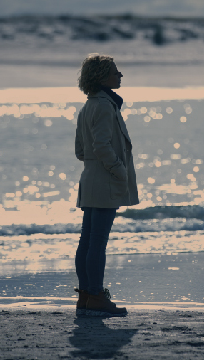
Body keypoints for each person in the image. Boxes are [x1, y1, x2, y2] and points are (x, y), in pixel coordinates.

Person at [74, 53, 139, 317]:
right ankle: (96, 295)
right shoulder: (102, 106)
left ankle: (87, 295)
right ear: (101, 77)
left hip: (91, 178)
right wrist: (118, 170)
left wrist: (99, 164)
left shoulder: (90, 105)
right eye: (114, 71)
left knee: (88, 241)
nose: (120, 74)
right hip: (104, 181)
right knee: (97, 242)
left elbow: (81, 150)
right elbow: (100, 145)